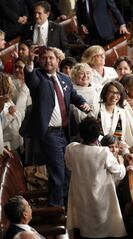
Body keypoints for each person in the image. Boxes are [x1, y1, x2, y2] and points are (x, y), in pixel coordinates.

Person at [24, 46, 90, 206]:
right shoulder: (38, 77)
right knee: (58, 172)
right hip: (49, 134)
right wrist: (29, 62)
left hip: (65, 132)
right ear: (40, 60)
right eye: (44, 58)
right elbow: (30, 80)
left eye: (51, 58)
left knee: (67, 171)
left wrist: (83, 103)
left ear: (57, 60)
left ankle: (67, 206)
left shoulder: (64, 78)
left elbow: (73, 96)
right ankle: (55, 209)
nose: (47, 61)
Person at [65, 117, 130, 239]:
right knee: (102, 233)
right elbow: (120, 173)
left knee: (83, 230)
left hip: (80, 195)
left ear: (80, 133)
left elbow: (69, 166)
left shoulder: (72, 148)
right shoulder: (104, 152)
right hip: (100, 198)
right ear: (97, 135)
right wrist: (122, 162)